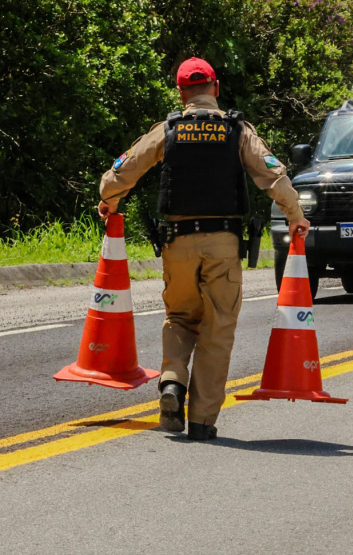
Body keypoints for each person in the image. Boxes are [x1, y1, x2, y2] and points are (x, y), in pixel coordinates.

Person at [97, 57, 310, 440]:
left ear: (181, 93)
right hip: (223, 244)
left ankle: (172, 383)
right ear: (215, 88)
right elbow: (272, 176)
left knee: (179, 317)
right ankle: (201, 421)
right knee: (217, 329)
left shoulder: (168, 129)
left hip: (176, 243)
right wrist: (295, 215)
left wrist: (109, 200)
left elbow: (122, 172)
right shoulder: (237, 129)